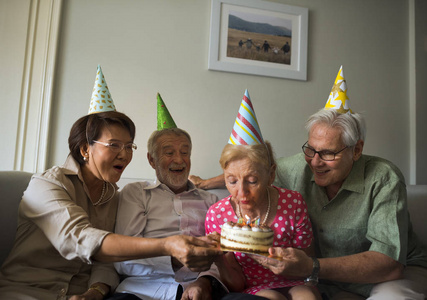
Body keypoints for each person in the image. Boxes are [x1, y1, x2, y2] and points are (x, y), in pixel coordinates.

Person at [190, 67, 427, 299]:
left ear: (357, 150)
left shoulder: (384, 178)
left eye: (327, 153)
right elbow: (251, 169)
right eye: (310, 149)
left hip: (386, 276)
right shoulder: (297, 166)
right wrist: (204, 183)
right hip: (317, 280)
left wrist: (311, 267)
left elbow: (390, 264)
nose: (315, 162)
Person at [0, 67, 221, 300]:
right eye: (114, 145)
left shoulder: (114, 197)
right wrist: (168, 246)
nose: (124, 155)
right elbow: (81, 239)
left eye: (128, 146)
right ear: (86, 148)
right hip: (27, 292)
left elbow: (108, 262)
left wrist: (96, 291)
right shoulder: (47, 185)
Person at [204, 90, 320, 300]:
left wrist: (292, 265)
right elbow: (235, 283)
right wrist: (219, 258)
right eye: (232, 181)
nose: (241, 192)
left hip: (293, 280)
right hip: (252, 288)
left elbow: (307, 260)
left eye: (252, 181)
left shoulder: (293, 203)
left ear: (271, 175)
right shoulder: (217, 215)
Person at [113, 94, 224, 300]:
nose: (179, 160)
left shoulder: (212, 202)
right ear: (151, 160)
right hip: (140, 291)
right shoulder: (135, 193)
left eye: (185, 152)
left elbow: (223, 256)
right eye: (169, 152)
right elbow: (122, 258)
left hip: (199, 289)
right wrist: (173, 259)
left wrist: (205, 281)